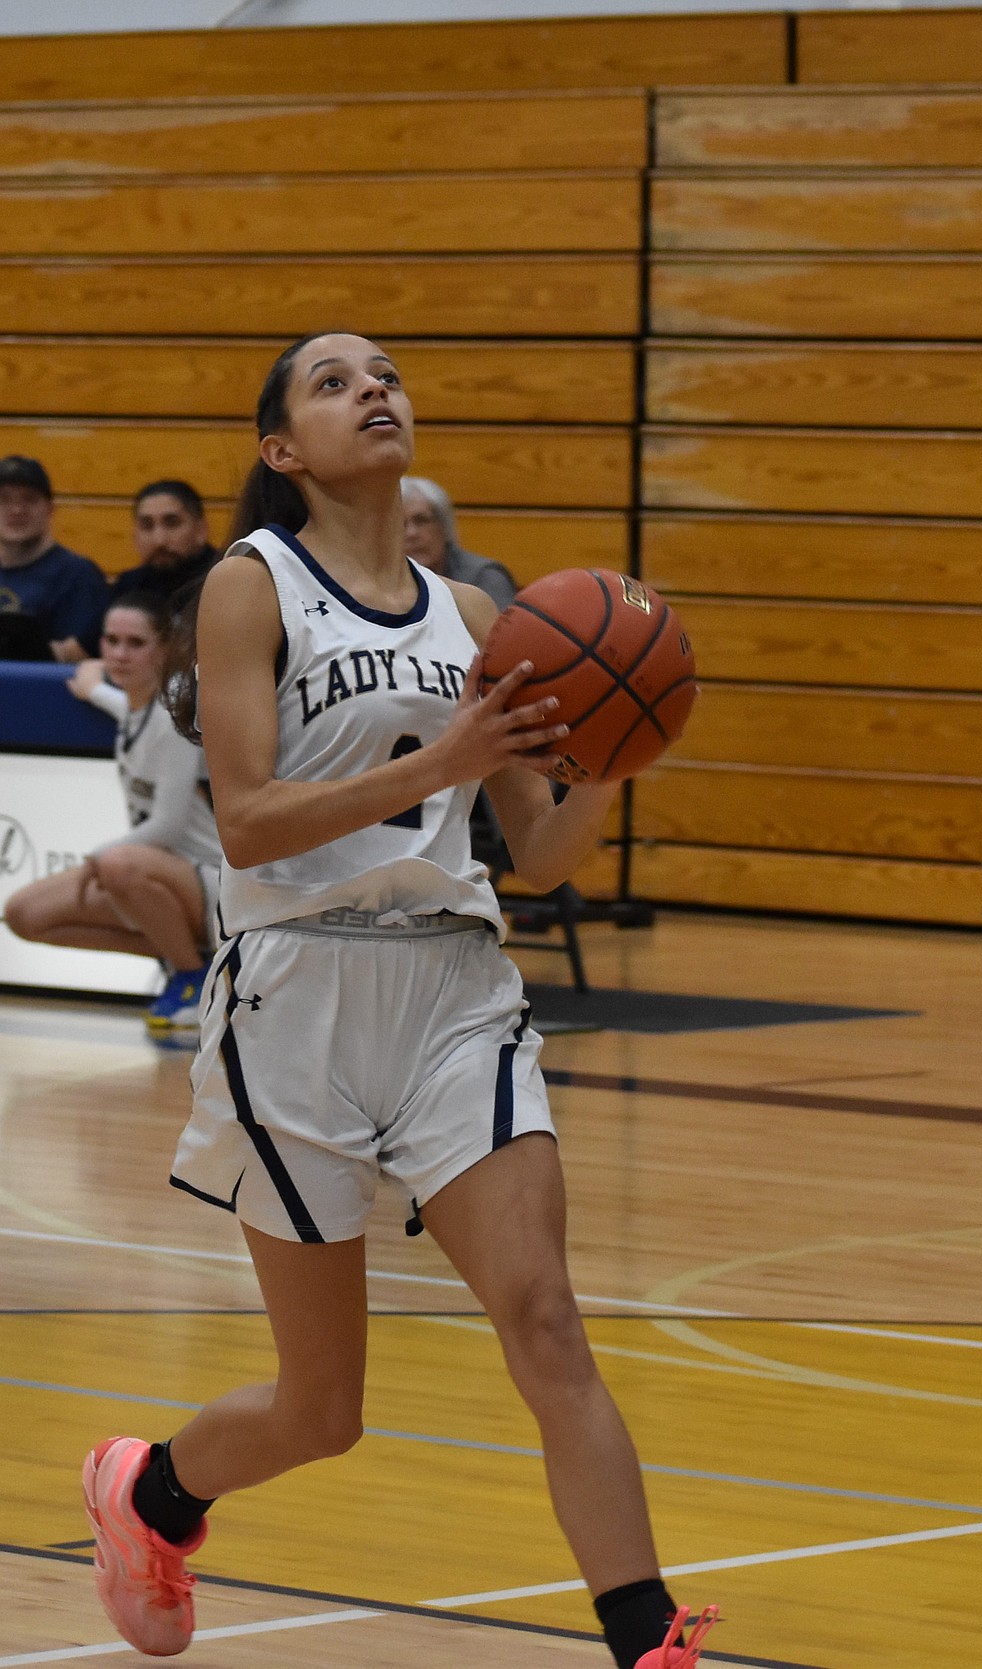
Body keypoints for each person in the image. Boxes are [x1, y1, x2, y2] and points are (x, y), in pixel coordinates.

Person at [78, 333, 716, 1668]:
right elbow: (248, 822)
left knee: (545, 1318)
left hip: (453, 993)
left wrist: (617, 748)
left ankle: (651, 1642)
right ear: (281, 448)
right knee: (323, 1411)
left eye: (385, 373)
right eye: (334, 381)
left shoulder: (476, 618)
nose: (374, 388)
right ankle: (151, 1494)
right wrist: (447, 755)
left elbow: (537, 854)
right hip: (296, 998)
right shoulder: (253, 586)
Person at [3, 592, 222, 1030]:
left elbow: (168, 825)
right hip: (162, 875)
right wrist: (96, 691)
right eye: (111, 640)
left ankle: (193, 977)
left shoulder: (175, 714)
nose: (120, 654)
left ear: (166, 648)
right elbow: (131, 711)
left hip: (213, 878)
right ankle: (190, 956)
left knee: (117, 864)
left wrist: (98, 857)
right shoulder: (140, 707)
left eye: (135, 643)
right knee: (24, 914)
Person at [0, 455, 108, 661]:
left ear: (50, 509)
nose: (16, 510)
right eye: (4, 499)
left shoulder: (79, 576)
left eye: (29, 499)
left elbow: (81, 654)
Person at [402, 473, 518, 611]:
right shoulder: (382, 585)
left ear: (445, 526)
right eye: (399, 524)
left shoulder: (484, 577)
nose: (411, 533)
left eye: (422, 520)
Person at [107, 479, 219, 608]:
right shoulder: (128, 588)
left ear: (201, 529)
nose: (159, 540)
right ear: (135, 535)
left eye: (172, 523)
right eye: (147, 525)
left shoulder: (223, 580)